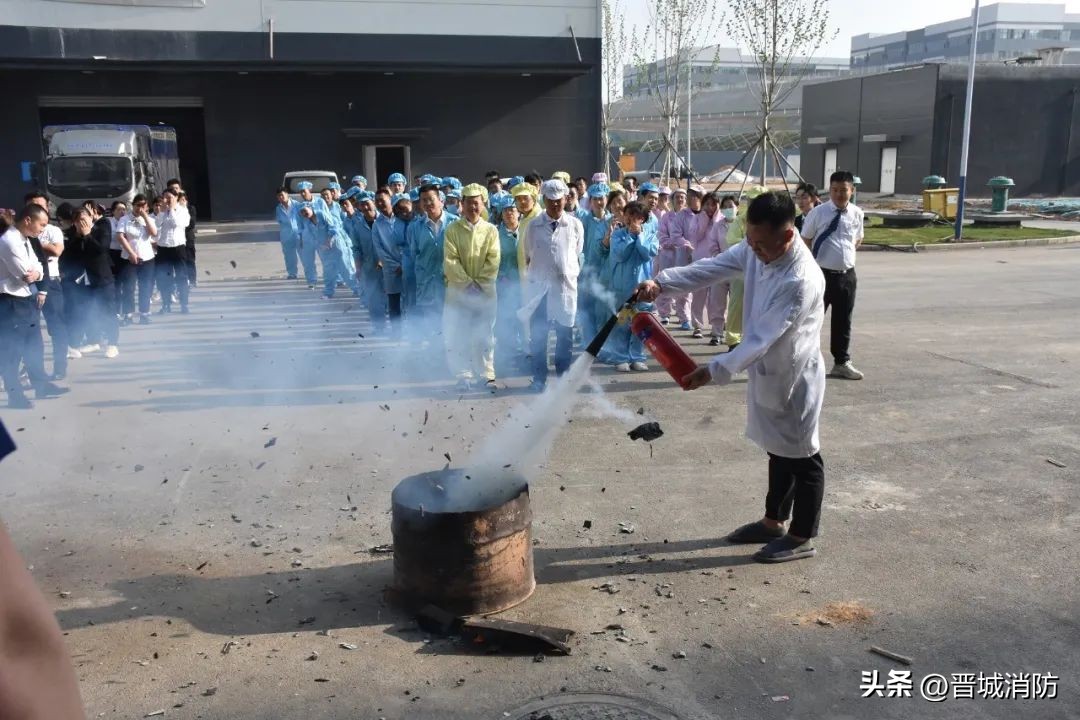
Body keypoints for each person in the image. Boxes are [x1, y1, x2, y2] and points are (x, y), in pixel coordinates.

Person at [639, 191, 826, 563]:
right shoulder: (757, 249)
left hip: (793, 375)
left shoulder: (800, 279)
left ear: (787, 236)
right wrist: (663, 282)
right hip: (767, 371)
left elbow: (759, 339)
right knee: (778, 450)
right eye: (750, 241)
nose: (752, 250)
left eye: (760, 244)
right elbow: (712, 267)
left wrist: (713, 370)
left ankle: (803, 534)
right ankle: (773, 521)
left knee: (803, 457)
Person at [0, 204, 69, 408]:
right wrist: (34, 274)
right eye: (42, 224)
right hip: (10, 301)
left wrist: (37, 274)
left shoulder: (26, 240)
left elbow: (37, 266)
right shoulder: (9, 241)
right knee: (13, 351)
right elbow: (23, 274)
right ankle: (15, 395)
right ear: (28, 220)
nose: (43, 229)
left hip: (25, 299)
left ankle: (41, 385)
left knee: (34, 346)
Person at [521, 179, 584, 392]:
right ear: (544, 199)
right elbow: (529, 253)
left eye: (559, 200)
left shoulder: (575, 224)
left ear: (566, 199)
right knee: (539, 336)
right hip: (540, 290)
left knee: (564, 338)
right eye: (550, 200)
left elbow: (577, 252)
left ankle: (563, 380)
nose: (555, 205)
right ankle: (539, 380)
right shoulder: (533, 226)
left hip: (565, 289)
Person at [801, 171, 864, 381]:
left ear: (851, 191)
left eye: (844, 190)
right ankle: (804, 362)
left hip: (847, 276)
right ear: (829, 191)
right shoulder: (817, 213)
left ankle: (841, 362)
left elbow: (857, 239)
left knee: (843, 321)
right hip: (821, 275)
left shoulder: (857, 213)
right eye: (835, 190)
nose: (839, 194)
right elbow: (806, 241)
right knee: (812, 321)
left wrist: (843, 258)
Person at [443, 183, 501, 391]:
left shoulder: (491, 230)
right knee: (458, 332)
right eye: (468, 203)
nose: (472, 207)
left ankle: (486, 374)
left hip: (485, 293)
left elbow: (493, 260)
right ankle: (463, 374)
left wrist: (479, 284)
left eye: (476, 203)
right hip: (458, 293)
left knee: (484, 333)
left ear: (483, 204)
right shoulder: (452, 230)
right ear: (462, 205)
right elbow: (450, 261)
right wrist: (467, 284)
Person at [601, 201, 658, 372]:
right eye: (628, 215)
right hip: (621, 287)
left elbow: (648, 253)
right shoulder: (617, 234)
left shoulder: (650, 234)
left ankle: (637, 357)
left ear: (643, 219)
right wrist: (630, 237)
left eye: (636, 216)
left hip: (642, 289)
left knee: (641, 323)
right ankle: (620, 357)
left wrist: (639, 236)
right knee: (621, 323)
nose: (631, 219)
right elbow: (620, 255)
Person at [25, 192, 72, 379]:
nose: (37, 208)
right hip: (27, 285)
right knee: (30, 329)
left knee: (56, 327)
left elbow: (56, 251)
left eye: (40, 205)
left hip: (51, 282)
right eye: (32, 205)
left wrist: (34, 243)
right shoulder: (18, 232)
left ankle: (60, 368)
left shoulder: (52, 231)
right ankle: (33, 371)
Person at [688, 193, 736, 345]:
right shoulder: (715, 225)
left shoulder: (741, 224)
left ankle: (734, 334)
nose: (728, 209)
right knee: (716, 301)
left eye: (731, 206)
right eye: (725, 207)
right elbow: (712, 245)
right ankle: (716, 332)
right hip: (718, 266)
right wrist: (720, 259)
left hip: (737, 268)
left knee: (736, 303)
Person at [408, 184, 453, 341]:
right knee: (431, 329)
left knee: (451, 327)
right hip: (427, 284)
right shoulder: (415, 227)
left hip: (450, 285)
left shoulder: (455, 223)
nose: (427, 203)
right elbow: (415, 255)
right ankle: (434, 362)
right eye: (423, 200)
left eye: (431, 199)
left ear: (441, 200)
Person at [656, 185, 702, 330]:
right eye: (677, 197)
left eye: (683, 197)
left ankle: (684, 318)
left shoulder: (693, 215)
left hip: (685, 256)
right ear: (672, 200)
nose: (681, 199)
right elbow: (662, 236)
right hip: (668, 255)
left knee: (684, 287)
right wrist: (675, 243)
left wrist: (687, 246)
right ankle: (664, 314)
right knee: (666, 283)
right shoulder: (666, 217)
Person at [79, 202, 121, 357]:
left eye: (86, 215)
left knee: (108, 310)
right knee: (89, 310)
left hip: (102, 276)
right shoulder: (78, 228)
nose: (81, 220)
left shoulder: (103, 225)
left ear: (93, 214)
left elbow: (101, 248)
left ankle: (112, 343)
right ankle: (93, 341)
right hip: (85, 277)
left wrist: (87, 234)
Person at [577, 181, 612, 345]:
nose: (599, 202)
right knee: (587, 306)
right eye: (595, 199)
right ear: (590, 201)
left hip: (606, 270)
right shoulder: (583, 220)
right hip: (586, 268)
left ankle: (603, 343)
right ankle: (589, 342)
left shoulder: (611, 220)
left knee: (604, 308)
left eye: (602, 198)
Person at [116, 194, 158, 326]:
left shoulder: (149, 218)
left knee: (145, 287)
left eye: (143, 205)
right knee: (128, 287)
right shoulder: (124, 219)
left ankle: (144, 314)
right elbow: (120, 237)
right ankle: (128, 315)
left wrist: (145, 216)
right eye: (137, 205)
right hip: (129, 257)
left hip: (147, 257)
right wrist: (131, 253)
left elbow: (153, 233)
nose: (140, 208)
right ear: (133, 205)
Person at [493, 196, 523, 375]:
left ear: (519, 212)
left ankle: (523, 356)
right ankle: (507, 356)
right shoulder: (496, 234)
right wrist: (501, 276)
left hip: (525, 284)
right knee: (507, 320)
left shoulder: (526, 230)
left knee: (524, 321)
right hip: (505, 285)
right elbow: (493, 260)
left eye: (512, 209)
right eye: (505, 210)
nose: (509, 213)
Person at [349, 191, 386, 326]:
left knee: (392, 297)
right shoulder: (357, 226)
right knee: (373, 298)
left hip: (389, 266)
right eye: (361, 205)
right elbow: (356, 248)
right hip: (369, 267)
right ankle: (379, 327)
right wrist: (358, 267)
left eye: (367, 203)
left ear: (374, 203)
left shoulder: (385, 221)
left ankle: (397, 328)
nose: (365, 207)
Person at [373, 189, 406, 335]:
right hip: (391, 270)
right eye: (377, 201)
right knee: (394, 303)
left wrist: (405, 264)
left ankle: (414, 333)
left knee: (410, 302)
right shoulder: (377, 225)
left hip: (408, 267)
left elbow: (410, 243)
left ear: (390, 199)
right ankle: (397, 333)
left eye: (382, 200)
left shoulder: (403, 218)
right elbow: (380, 250)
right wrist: (395, 266)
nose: (379, 203)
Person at [154, 189, 191, 314]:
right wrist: (163, 212)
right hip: (164, 248)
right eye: (164, 197)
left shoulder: (183, 211)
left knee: (181, 276)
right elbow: (157, 225)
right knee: (164, 278)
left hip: (178, 247)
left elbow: (178, 224)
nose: (166, 200)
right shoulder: (162, 212)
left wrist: (171, 211)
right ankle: (166, 304)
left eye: (169, 197)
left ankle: (184, 304)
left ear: (175, 198)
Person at [275, 186, 301, 279]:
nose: (281, 198)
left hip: (298, 233)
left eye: (282, 195)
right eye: (278, 196)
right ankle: (292, 273)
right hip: (286, 235)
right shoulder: (278, 208)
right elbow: (279, 220)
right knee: (289, 256)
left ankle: (309, 274)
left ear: (287, 194)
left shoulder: (297, 205)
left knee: (304, 254)